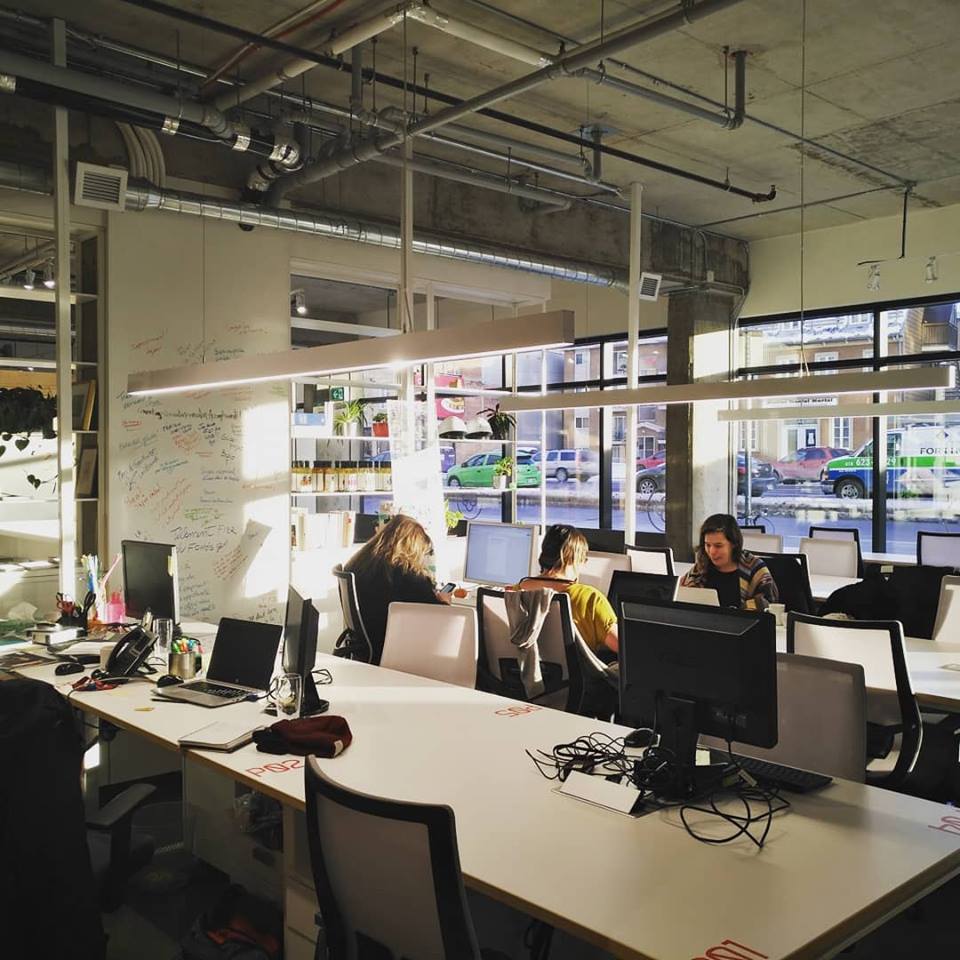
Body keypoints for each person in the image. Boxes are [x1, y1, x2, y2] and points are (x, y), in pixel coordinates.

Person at [343, 514, 449, 664]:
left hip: (365, 646)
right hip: (391, 647)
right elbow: (439, 617)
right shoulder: (406, 573)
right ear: (413, 547)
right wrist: (444, 602)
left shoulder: (358, 563)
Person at [516, 524, 618, 656]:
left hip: (523, 668)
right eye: (584, 559)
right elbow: (623, 647)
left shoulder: (515, 592)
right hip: (578, 669)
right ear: (575, 559)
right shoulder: (590, 598)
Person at [680, 514, 779, 610]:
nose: (712, 551)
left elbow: (769, 603)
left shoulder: (754, 568)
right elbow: (684, 598)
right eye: (708, 545)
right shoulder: (701, 567)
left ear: (734, 544)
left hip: (744, 620)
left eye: (718, 546)